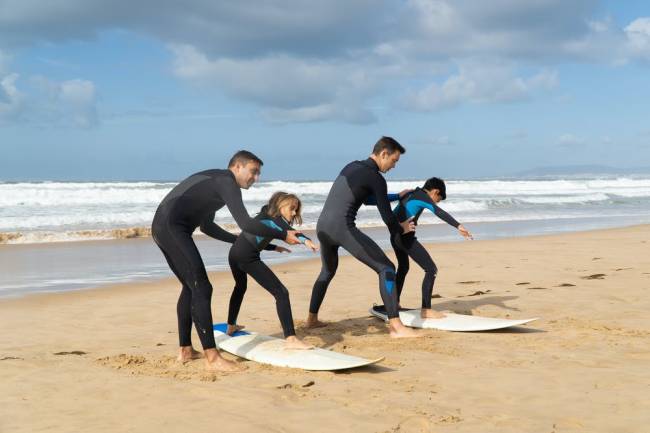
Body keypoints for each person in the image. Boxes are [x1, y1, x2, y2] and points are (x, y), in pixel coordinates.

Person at [151, 150, 302, 371]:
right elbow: (246, 223)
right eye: (253, 171)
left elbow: (207, 226)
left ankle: (185, 350)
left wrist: (237, 241)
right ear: (237, 167)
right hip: (172, 228)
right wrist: (283, 234)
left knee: (191, 287)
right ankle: (212, 358)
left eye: (258, 173)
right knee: (202, 287)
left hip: (163, 227)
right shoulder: (226, 182)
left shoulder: (216, 184)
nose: (256, 178)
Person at [306, 136, 419, 338]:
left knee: (327, 272)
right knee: (386, 268)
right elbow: (387, 217)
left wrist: (395, 195)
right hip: (342, 228)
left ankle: (311, 320)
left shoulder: (352, 167)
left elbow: (366, 199)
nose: (393, 166)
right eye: (394, 160)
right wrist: (401, 228)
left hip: (323, 227)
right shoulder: (376, 178)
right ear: (383, 153)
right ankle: (396, 327)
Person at [227, 192, 319, 349]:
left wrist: (274, 247)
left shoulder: (265, 215)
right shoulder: (274, 219)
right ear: (280, 205)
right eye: (292, 208)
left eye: (296, 209)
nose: (295, 213)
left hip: (234, 254)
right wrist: (307, 240)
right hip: (247, 257)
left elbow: (253, 237)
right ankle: (291, 339)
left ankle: (231, 325)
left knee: (240, 287)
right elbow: (288, 230)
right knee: (281, 293)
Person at [385, 177, 473, 319]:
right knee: (431, 269)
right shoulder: (424, 197)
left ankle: (394, 302)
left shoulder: (411, 193)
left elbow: (394, 214)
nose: (436, 202)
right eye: (438, 198)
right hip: (405, 238)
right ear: (435, 191)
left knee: (403, 267)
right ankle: (426, 309)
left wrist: (398, 229)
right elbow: (439, 212)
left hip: (395, 236)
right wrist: (458, 225)